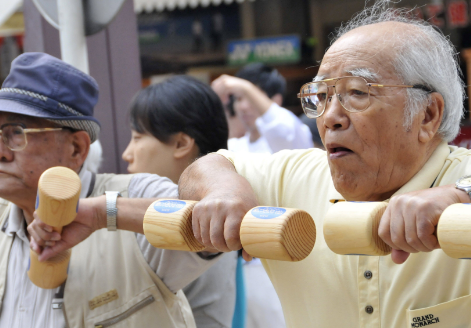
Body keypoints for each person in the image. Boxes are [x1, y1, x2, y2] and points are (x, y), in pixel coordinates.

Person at [177, 1, 471, 327]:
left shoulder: (462, 178)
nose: (330, 117)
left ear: (427, 115)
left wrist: (460, 196)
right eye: (321, 96)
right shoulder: (296, 177)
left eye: (358, 92)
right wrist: (223, 188)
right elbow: (203, 168)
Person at [2, 52, 222, 328]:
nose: (2, 152)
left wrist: (102, 213)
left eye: (15, 133)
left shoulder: (136, 193)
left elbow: (212, 220)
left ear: (76, 148)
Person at [121, 75, 237, 328]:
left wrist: (102, 212)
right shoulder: (219, 207)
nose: (127, 154)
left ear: (181, 143)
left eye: (138, 138)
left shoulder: (205, 218)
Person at [212, 63, 313, 154]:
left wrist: (245, 87)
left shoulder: (294, 135)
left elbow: (283, 130)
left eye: (251, 97)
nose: (243, 106)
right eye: (238, 98)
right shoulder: (233, 148)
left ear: (276, 101)